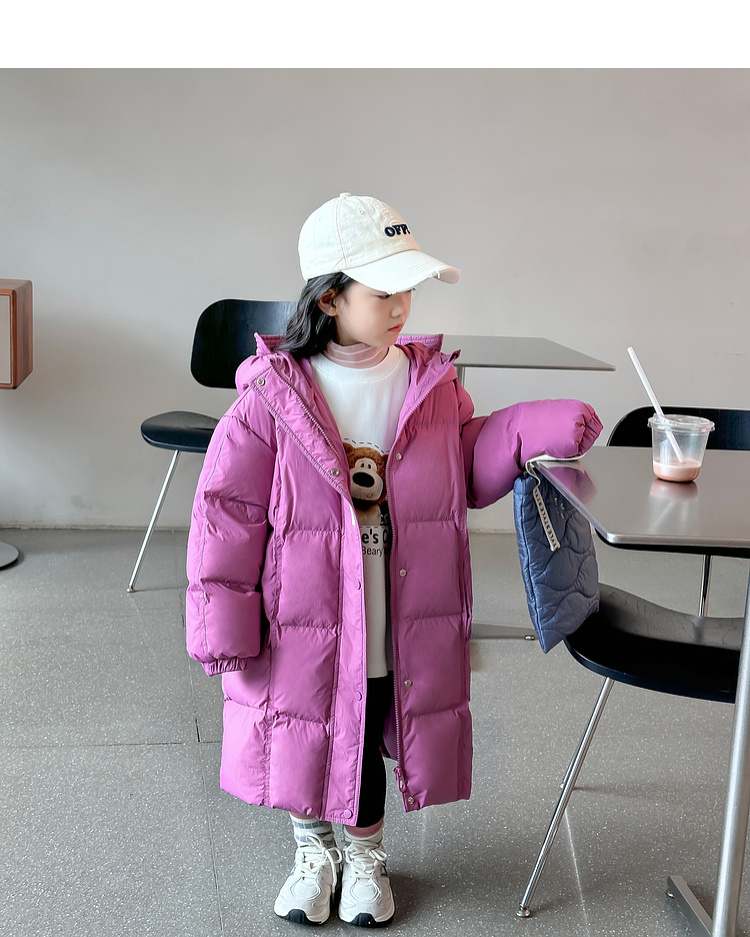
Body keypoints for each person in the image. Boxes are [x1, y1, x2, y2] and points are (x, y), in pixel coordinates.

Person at [185, 193, 603, 927]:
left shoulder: (428, 383)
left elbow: (463, 464)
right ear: (330, 298)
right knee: (302, 727)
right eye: (383, 292)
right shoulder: (273, 396)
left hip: (394, 606)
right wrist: (222, 625)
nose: (402, 307)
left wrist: (529, 429)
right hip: (301, 612)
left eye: (408, 290)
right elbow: (227, 513)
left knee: (370, 721)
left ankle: (365, 855)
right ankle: (313, 851)